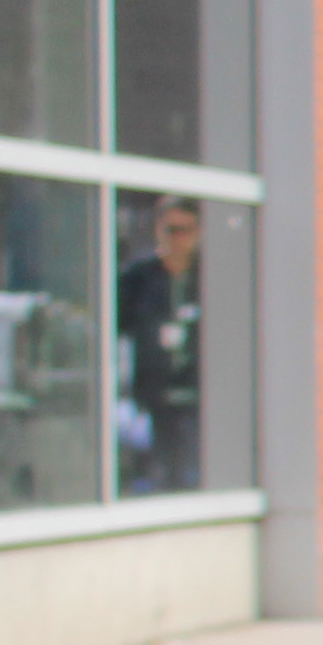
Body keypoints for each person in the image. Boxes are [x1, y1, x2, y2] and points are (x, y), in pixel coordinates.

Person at [113, 196, 209, 493]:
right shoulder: (138, 278)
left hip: (199, 394)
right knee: (162, 472)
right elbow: (116, 327)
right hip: (154, 395)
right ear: (158, 230)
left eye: (185, 230)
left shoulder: (209, 278)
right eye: (170, 230)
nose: (177, 239)